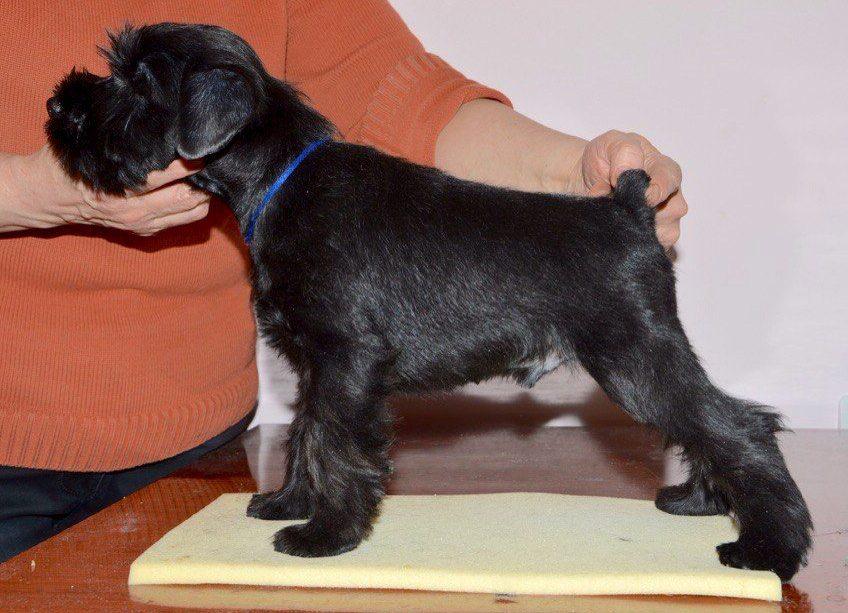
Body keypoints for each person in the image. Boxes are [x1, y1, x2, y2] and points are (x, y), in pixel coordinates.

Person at [0, 0, 687, 562]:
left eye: (132, 87)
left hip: (196, 448)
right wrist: (29, 193)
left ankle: (733, 472)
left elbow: (399, 93)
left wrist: (576, 171)